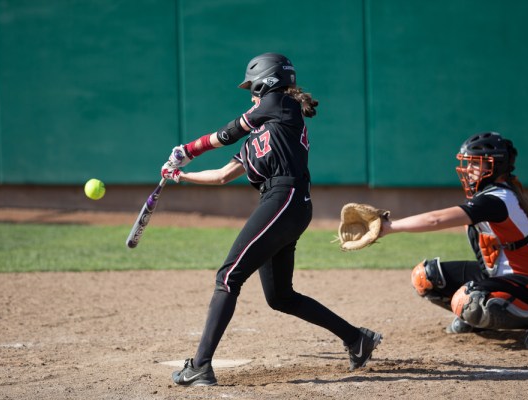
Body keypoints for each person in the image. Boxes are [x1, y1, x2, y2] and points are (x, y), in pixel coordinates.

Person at [161, 53, 382, 386]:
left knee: (228, 277)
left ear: (269, 82)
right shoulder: (264, 131)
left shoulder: (281, 104)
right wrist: (181, 175)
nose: (252, 94)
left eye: (254, 87)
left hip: (285, 198)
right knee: (280, 296)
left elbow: (227, 132)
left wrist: (188, 149)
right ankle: (357, 339)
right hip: (284, 204)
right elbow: (222, 174)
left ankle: (201, 366)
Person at [378, 131, 528, 349]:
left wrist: (389, 227)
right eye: (469, 163)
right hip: (500, 277)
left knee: (467, 300)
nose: (468, 170)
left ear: (494, 166)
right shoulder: (490, 195)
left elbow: (435, 220)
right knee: (425, 277)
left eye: (476, 163)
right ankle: (477, 317)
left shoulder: (497, 200)